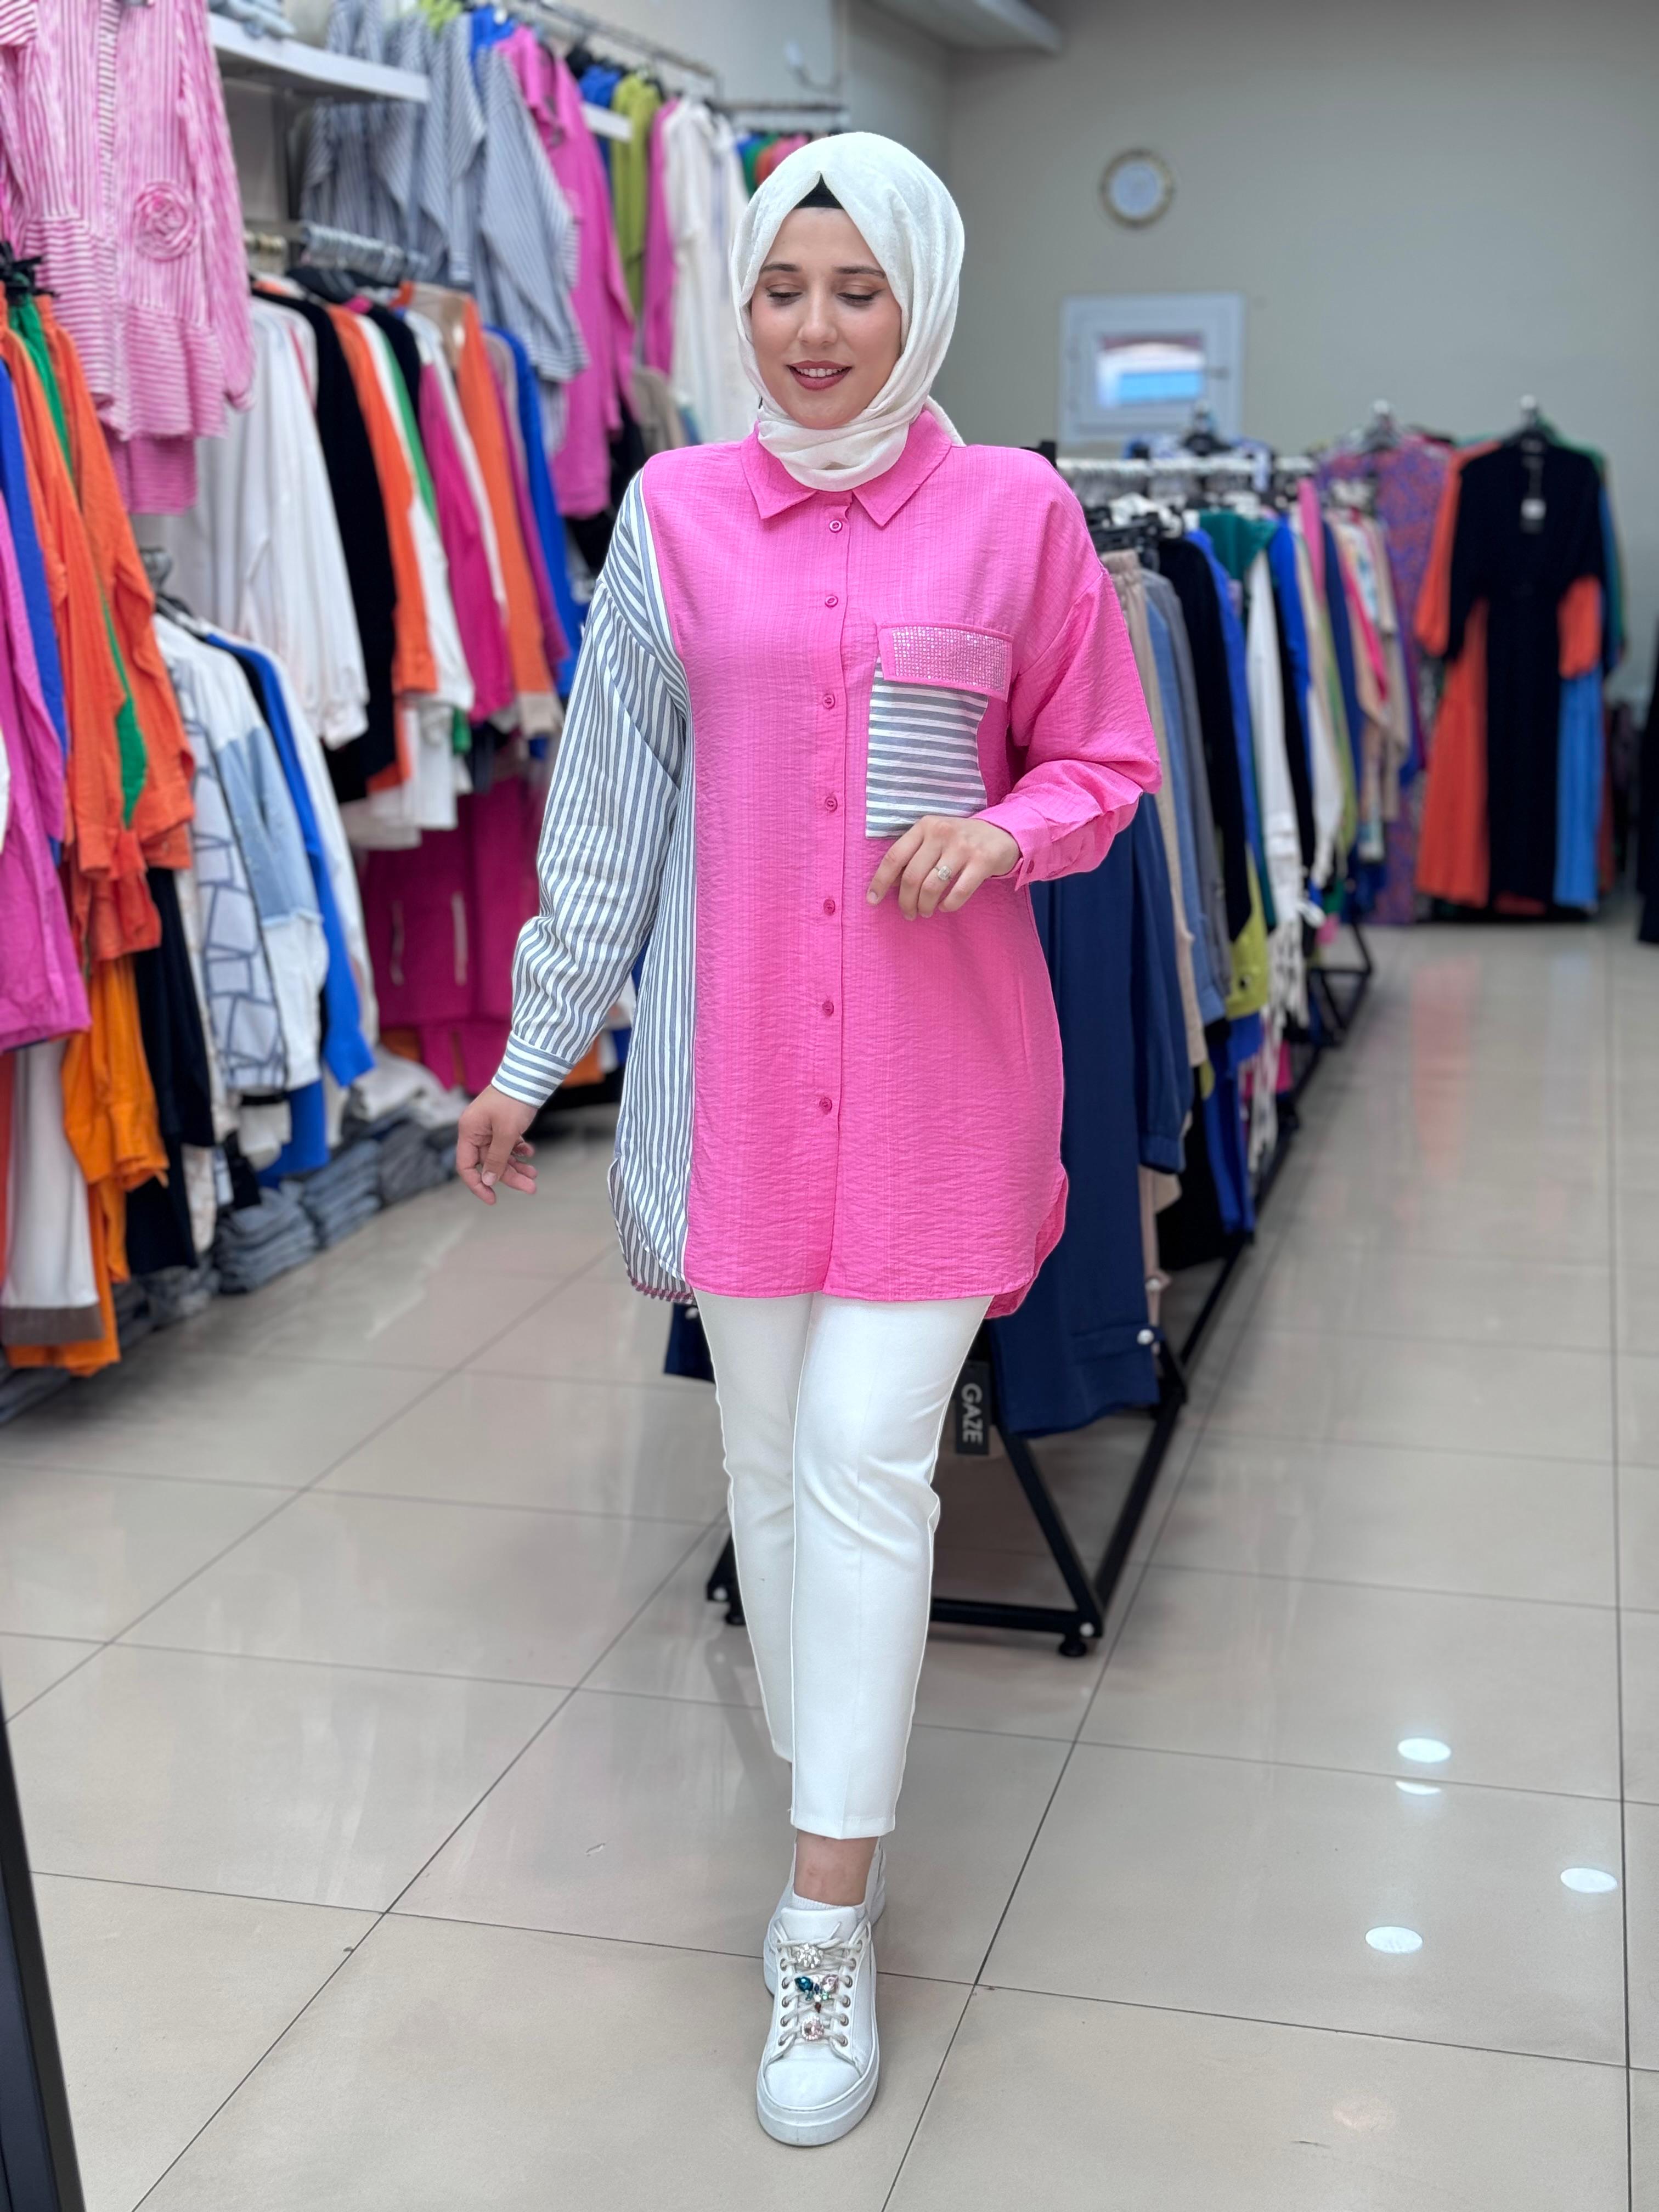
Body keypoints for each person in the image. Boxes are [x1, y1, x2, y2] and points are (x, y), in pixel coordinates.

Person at [455, 133, 1159, 2148]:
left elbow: (1106, 757)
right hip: (735, 1086)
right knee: (764, 1471)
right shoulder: (674, 514)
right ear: (742, 299)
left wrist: (1007, 831)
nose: (817, 328)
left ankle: (823, 1921)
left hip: (944, 1095)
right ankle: (827, 1781)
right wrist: (533, 1054)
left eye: (859, 291)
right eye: (784, 288)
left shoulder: (1017, 513)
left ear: (921, 301)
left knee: (860, 1460)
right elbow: (612, 805)